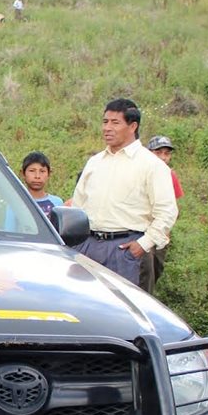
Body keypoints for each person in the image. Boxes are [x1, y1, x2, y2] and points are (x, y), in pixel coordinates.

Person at [70, 99, 178, 287]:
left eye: (115, 122)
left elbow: (167, 212)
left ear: (132, 126)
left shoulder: (151, 165)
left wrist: (142, 245)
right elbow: (78, 206)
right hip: (89, 246)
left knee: (124, 312)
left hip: (126, 249)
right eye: (105, 122)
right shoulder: (95, 162)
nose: (107, 128)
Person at [143, 135, 185, 290]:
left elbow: (174, 206)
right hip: (140, 230)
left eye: (166, 153)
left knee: (156, 269)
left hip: (160, 232)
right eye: (158, 152)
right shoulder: (141, 172)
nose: (163, 157)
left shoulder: (170, 175)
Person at [20, 151, 63, 218]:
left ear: (49, 174)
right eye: (32, 171)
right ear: (23, 173)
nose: (37, 176)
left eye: (42, 171)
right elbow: (10, 227)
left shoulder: (57, 203)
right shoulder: (17, 202)